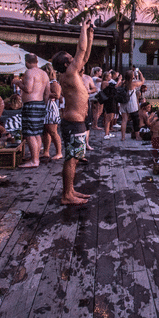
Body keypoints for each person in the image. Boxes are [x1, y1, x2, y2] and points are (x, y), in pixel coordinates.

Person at [49, 17, 94, 205]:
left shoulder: (72, 72)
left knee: (74, 158)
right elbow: (81, 50)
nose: (75, 59)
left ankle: (70, 190)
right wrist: (82, 28)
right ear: (67, 64)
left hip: (77, 122)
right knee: (71, 159)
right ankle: (66, 195)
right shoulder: (68, 74)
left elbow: (85, 55)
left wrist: (90, 35)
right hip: (73, 123)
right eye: (71, 58)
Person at [13, 54, 50, 168]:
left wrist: (18, 82)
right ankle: (36, 157)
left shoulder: (29, 72)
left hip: (31, 105)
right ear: (37, 61)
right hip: (40, 104)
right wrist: (43, 104)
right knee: (37, 133)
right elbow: (47, 92)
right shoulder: (44, 74)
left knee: (29, 134)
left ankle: (34, 161)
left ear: (26, 62)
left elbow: (28, 89)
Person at [42, 65, 63, 160]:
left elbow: (57, 95)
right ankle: (46, 152)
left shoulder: (53, 83)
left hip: (51, 108)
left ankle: (59, 152)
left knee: (53, 131)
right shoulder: (46, 82)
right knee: (45, 131)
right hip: (45, 107)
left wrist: (43, 93)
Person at [119, 68, 144, 141]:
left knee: (124, 120)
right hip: (131, 102)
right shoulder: (133, 83)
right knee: (135, 119)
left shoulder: (123, 83)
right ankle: (137, 136)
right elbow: (142, 81)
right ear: (132, 76)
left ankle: (123, 137)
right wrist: (140, 73)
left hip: (123, 102)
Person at [80, 67, 97, 151]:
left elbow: (94, 88)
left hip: (86, 102)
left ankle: (86, 144)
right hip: (75, 104)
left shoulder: (87, 78)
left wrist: (89, 91)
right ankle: (79, 144)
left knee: (87, 124)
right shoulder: (72, 77)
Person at [101, 70, 120, 139]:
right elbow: (116, 86)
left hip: (111, 100)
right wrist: (119, 80)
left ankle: (108, 132)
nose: (110, 78)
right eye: (109, 77)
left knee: (110, 117)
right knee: (108, 118)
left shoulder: (107, 82)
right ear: (106, 77)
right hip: (109, 101)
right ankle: (106, 134)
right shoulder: (105, 83)